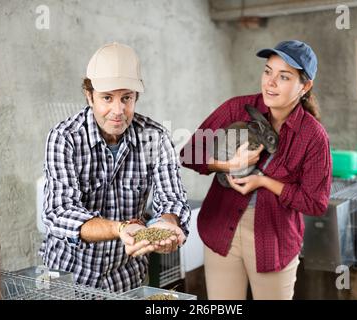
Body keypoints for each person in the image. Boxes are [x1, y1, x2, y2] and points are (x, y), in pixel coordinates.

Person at [180, 40, 332, 300]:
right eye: (267, 71)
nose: (270, 83)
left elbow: (315, 203)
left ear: (305, 86)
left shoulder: (313, 136)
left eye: (283, 76)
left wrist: (264, 182)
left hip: (272, 239)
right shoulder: (236, 108)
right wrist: (228, 165)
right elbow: (189, 153)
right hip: (221, 227)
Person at [39, 42, 190, 293]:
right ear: (89, 95)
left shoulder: (156, 137)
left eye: (126, 98)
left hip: (126, 279)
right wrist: (119, 228)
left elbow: (172, 198)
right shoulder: (64, 138)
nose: (118, 111)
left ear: (136, 96)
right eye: (107, 98)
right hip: (69, 277)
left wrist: (166, 223)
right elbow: (59, 212)